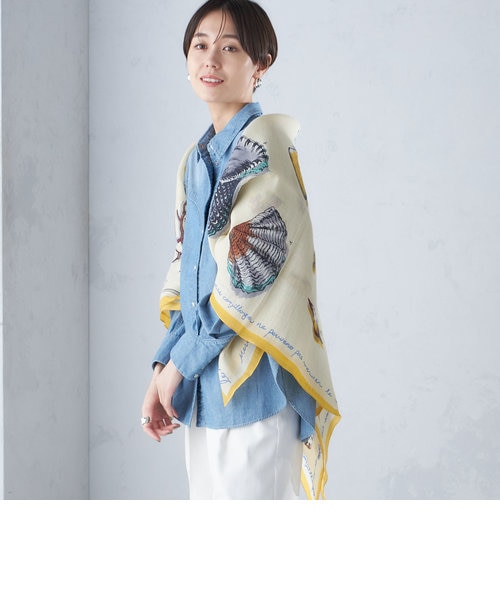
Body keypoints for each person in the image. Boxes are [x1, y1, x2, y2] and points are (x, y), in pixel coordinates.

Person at [141, 0, 340, 499]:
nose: (211, 59)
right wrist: (163, 368)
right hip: (202, 392)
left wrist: (180, 366)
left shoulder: (263, 151)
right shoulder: (197, 160)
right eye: (200, 45)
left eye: (230, 48)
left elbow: (248, 281)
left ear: (260, 65)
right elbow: (187, 272)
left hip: (256, 391)